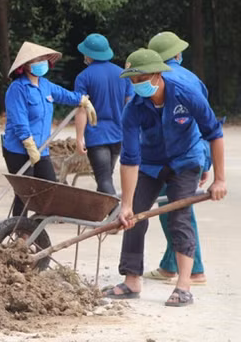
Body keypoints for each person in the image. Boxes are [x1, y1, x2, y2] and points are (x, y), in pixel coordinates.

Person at [107, 49, 226, 307]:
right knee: (134, 215)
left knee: (179, 215)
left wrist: (219, 178)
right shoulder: (133, 110)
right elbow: (129, 160)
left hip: (186, 159)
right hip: (151, 163)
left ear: (158, 75)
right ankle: (131, 280)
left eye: (142, 79)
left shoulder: (186, 94)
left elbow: (214, 133)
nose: (138, 85)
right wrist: (126, 204)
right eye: (133, 81)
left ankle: (184, 285)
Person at [144, 31, 212, 285]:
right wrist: (206, 161)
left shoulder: (154, 80)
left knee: (177, 210)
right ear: (178, 54)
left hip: (163, 157)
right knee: (172, 209)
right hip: (191, 154)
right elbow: (205, 123)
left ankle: (195, 270)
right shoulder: (193, 78)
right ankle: (170, 265)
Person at [2, 42, 97, 216]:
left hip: (42, 149)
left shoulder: (46, 85)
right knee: (25, 193)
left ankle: (35, 228)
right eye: (36, 60)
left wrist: (83, 100)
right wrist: (29, 144)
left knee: (49, 189)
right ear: (25, 66)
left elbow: (65, 95)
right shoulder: (17, 89)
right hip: (19, 149)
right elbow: (19, 119)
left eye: (43, 59)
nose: (41, 63)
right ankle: (19, 231)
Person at [73, 33, 134, 194]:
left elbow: (81, 109)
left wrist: (79, 138)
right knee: (107, 176)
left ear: (88, 54)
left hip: (97, 136)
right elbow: (130, 105)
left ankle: (118, 214)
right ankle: (107, 215)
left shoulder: (83, 77)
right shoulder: (123, 74)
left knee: (104, 179)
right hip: (118, 135)